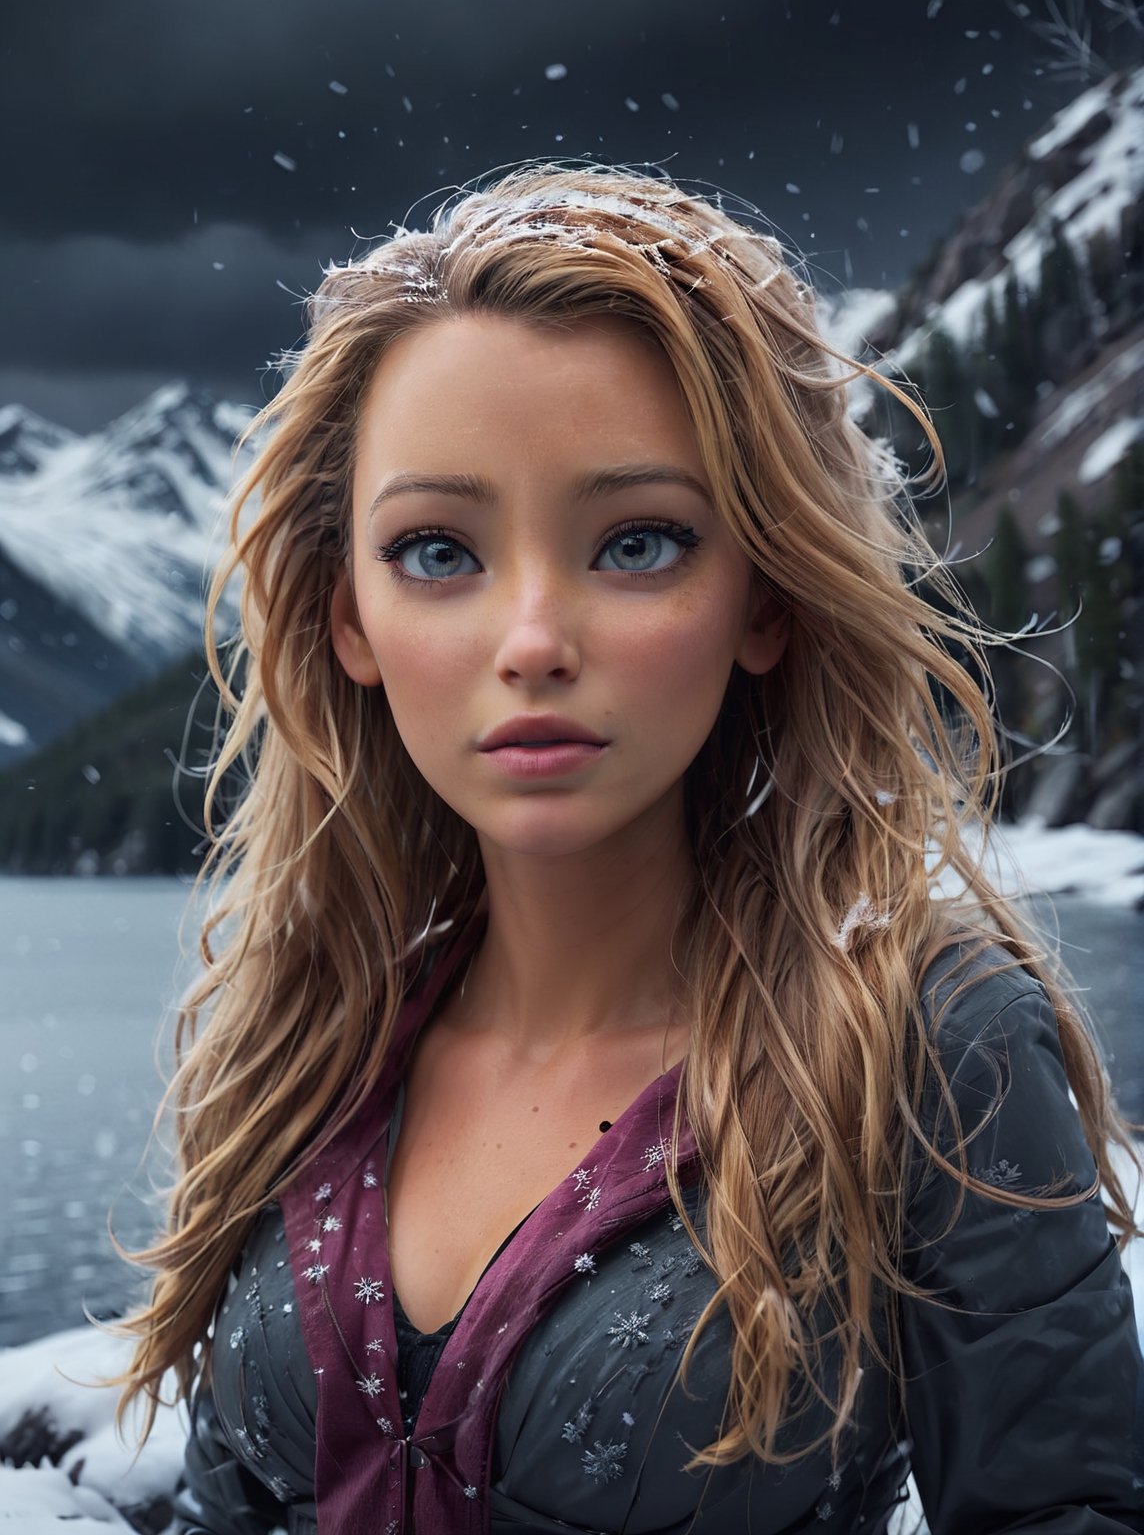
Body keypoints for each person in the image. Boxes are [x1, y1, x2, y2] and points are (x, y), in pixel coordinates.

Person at [115, 163, 1142, 1532]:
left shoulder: (924, 1046)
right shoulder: (311, 1038)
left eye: (638, 542)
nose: (534, 639)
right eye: (436, 552)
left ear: (765, 598)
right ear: (343, 615)